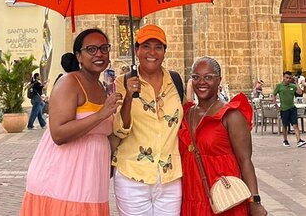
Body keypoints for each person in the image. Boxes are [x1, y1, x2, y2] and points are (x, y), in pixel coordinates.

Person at [20, 28, 122, 215]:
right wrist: (102, 114)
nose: (99, 54)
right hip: (62, 180)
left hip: (92, 183)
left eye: (104, 48)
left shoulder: (102, 86)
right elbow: (58, 133)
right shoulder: (69, 82)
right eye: (91, 49)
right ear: (79, 56)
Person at [179, 57, 268, 216]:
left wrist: (255, 202)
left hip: (224, 199)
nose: (201, 82)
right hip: (192, 198)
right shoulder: (186, 113)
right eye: (196, 77)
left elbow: (245, 161)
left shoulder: (231, 116)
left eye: (208, 77)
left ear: (219, 79)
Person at [113, 24, 184, 216]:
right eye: (145, 46)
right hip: (132, 176)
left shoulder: (176, 82)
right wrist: (128, 96)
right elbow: (120, 130)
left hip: (170, 176)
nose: (152, 52)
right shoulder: (121, 82)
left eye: (158, 47)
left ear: (164, 52)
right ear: (136, 50)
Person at [273, 71, 306, 148]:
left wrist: (296, 83)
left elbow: (300, 92)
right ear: (284, 77)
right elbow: (274, 95)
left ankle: (299, 140)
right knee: (285, 126)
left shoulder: (293, 86)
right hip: (284, 109)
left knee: (295, 125)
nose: (288, 79)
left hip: (292, 108)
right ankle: (285, 140)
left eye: (289, 78)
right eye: (286, 77)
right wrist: (276, 105)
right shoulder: (279, 86)